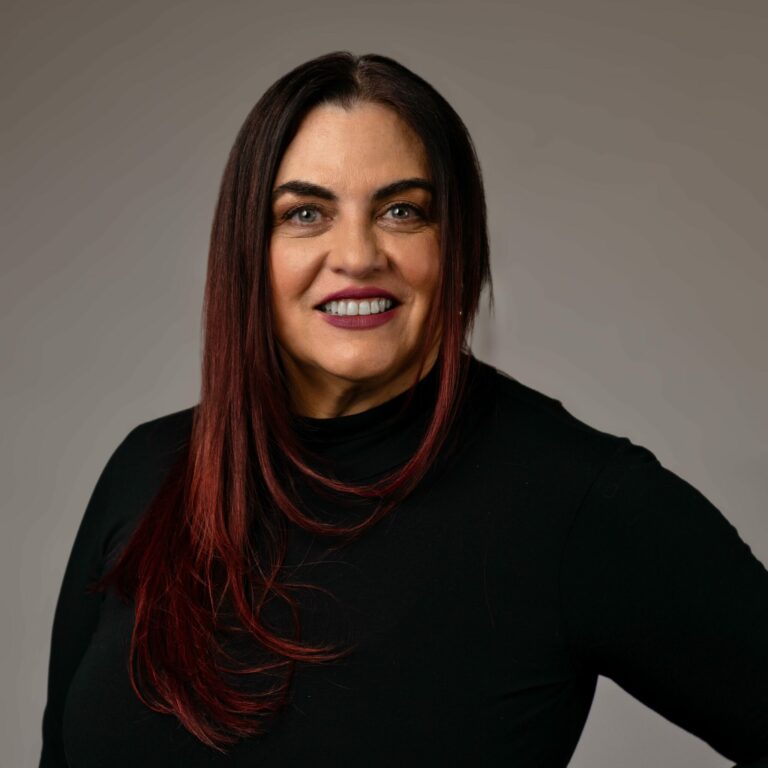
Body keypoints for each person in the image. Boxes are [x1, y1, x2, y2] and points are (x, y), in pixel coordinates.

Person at [40, 51, 768, 768]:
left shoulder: (575, 497)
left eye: (401, 211)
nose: (357, 255)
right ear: (248, 252)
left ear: (456, 243)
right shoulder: (150, 470)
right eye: (305, 213)